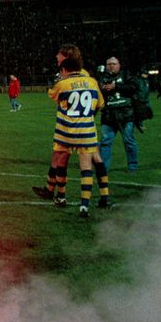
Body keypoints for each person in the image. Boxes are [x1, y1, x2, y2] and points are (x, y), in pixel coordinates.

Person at [33, 44, 111, 209]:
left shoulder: (74, 76)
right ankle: (52, 190)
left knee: (66, 158)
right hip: (83, 127)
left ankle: (60, 195)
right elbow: (97, 101)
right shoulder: (85, 77)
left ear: (67, 58)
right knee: (65, 157)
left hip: (71, 126)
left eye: (59, 55)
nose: (56, 57)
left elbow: (58, 94)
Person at [47, 58, 106, 218]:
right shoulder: (92, 82)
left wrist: (59, 82)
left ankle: (61, 196)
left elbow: (52, 95)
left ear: (64, 70)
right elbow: (100, 104)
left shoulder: (63, 84)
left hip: (66, 131)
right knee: (86, 167)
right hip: (86, 131)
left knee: (61, 161)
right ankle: (84, 206)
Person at [99, 57, 139, 172]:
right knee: (105, 142)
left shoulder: (126, 75)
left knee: (129, 141)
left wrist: (116, 86)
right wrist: (103, 89)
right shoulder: (102, 78)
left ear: (119, 65)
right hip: (108, 115)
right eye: (109, 64)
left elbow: (134, 87)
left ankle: (132, 167)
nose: (111, 66)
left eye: (114, 64)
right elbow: (98, 93)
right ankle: (104, 168)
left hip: (125, 114)